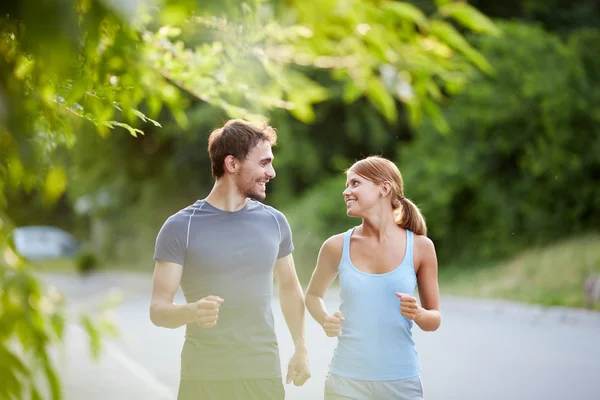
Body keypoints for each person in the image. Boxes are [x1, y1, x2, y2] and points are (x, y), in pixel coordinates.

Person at [150, 119, 310, 400]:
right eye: (263, 163)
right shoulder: (180, 227)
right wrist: (192, 311)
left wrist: (301, 347)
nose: (271, 172)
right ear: (232, 164)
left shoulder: (275, 222)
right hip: (203, 378)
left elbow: (289, 286)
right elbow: (158, 309)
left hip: (262, 375)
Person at [305, 155, 441, 400]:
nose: (346, 192)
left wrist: (418, 313)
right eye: (346, 185)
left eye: (355, 183)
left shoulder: (421, 247)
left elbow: (434, 319)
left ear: (384, 188)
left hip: (401, 383)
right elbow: (313, 296)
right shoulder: (335, 247)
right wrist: (325, 319)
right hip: (345, 382)